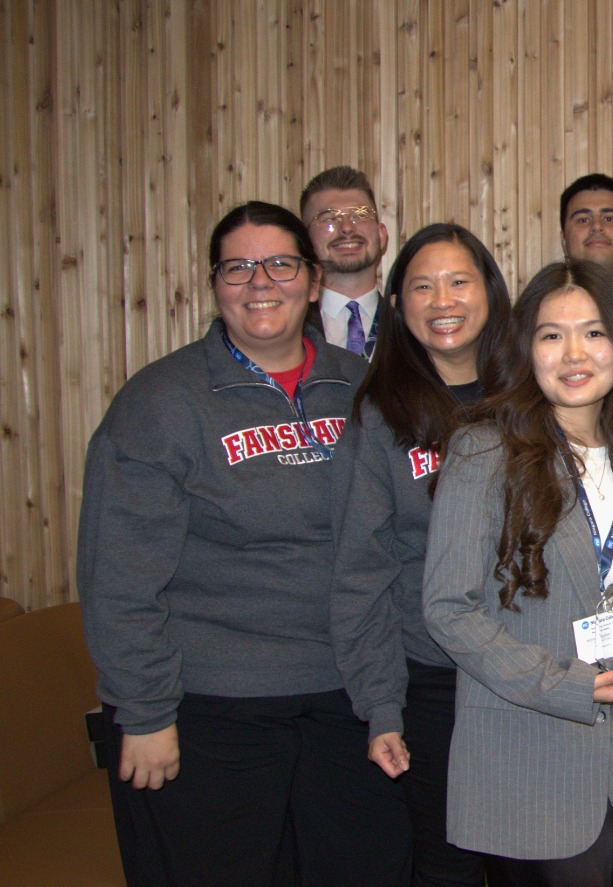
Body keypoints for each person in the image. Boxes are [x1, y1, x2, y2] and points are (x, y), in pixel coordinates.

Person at [78, 200, 409, 885]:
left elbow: (390, 545)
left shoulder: (362, 390)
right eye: (238, 267)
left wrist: (385, 697)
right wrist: (142, 710)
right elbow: (118, 573)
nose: (261, 283)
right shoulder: (162, 402)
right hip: (211, 708)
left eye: (281, 264)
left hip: (345, 700)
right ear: (216, 284)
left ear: (314, 281)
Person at [422, 259, 613, 886]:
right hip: (526, 762)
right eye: (552, 334)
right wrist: (564, 684)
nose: (574, 352)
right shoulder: (483, 449)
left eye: (594, 332)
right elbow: (448, 608)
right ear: (527, 350)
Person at [331, 223, 515, 885]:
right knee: (449, 863)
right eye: (422, 284)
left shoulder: (534, 397)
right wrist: (381, 705)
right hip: (434, 684)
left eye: (459, 280)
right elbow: (363, 571)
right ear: (399, 304)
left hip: (532, 676)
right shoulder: (382, 413)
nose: (443, 299)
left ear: (490, 293)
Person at [302, 165, 390, 358]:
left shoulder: (411, 327)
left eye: (360, 215)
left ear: (381, 235)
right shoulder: (287, 329)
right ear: (304, 240)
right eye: (329, 218)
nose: (347, 228)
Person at [560, 173, 613, 301]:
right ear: (564, 240)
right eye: (583, 220)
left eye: (609, 218)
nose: (597, 226)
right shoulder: (538, 310)